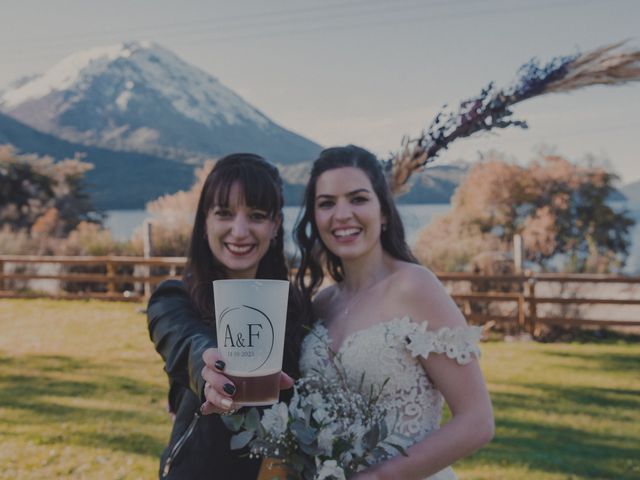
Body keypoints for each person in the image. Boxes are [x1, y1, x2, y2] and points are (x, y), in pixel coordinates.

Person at [294, 145, 494, 480]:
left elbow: (477, 421)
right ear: (315, 217)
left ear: (384, 211)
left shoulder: (414, 287)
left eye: (357, 199)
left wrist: (377, 477)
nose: (341, 214)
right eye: (327, 203)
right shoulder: (323, 303)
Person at [147, 153, 307, 479]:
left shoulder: (299, 308)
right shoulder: (174, 298)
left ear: (275, 225)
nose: (240, 230)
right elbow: (183, 342)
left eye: (257, 215)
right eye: (224, 213)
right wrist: (208, 367)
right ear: (205, 221)